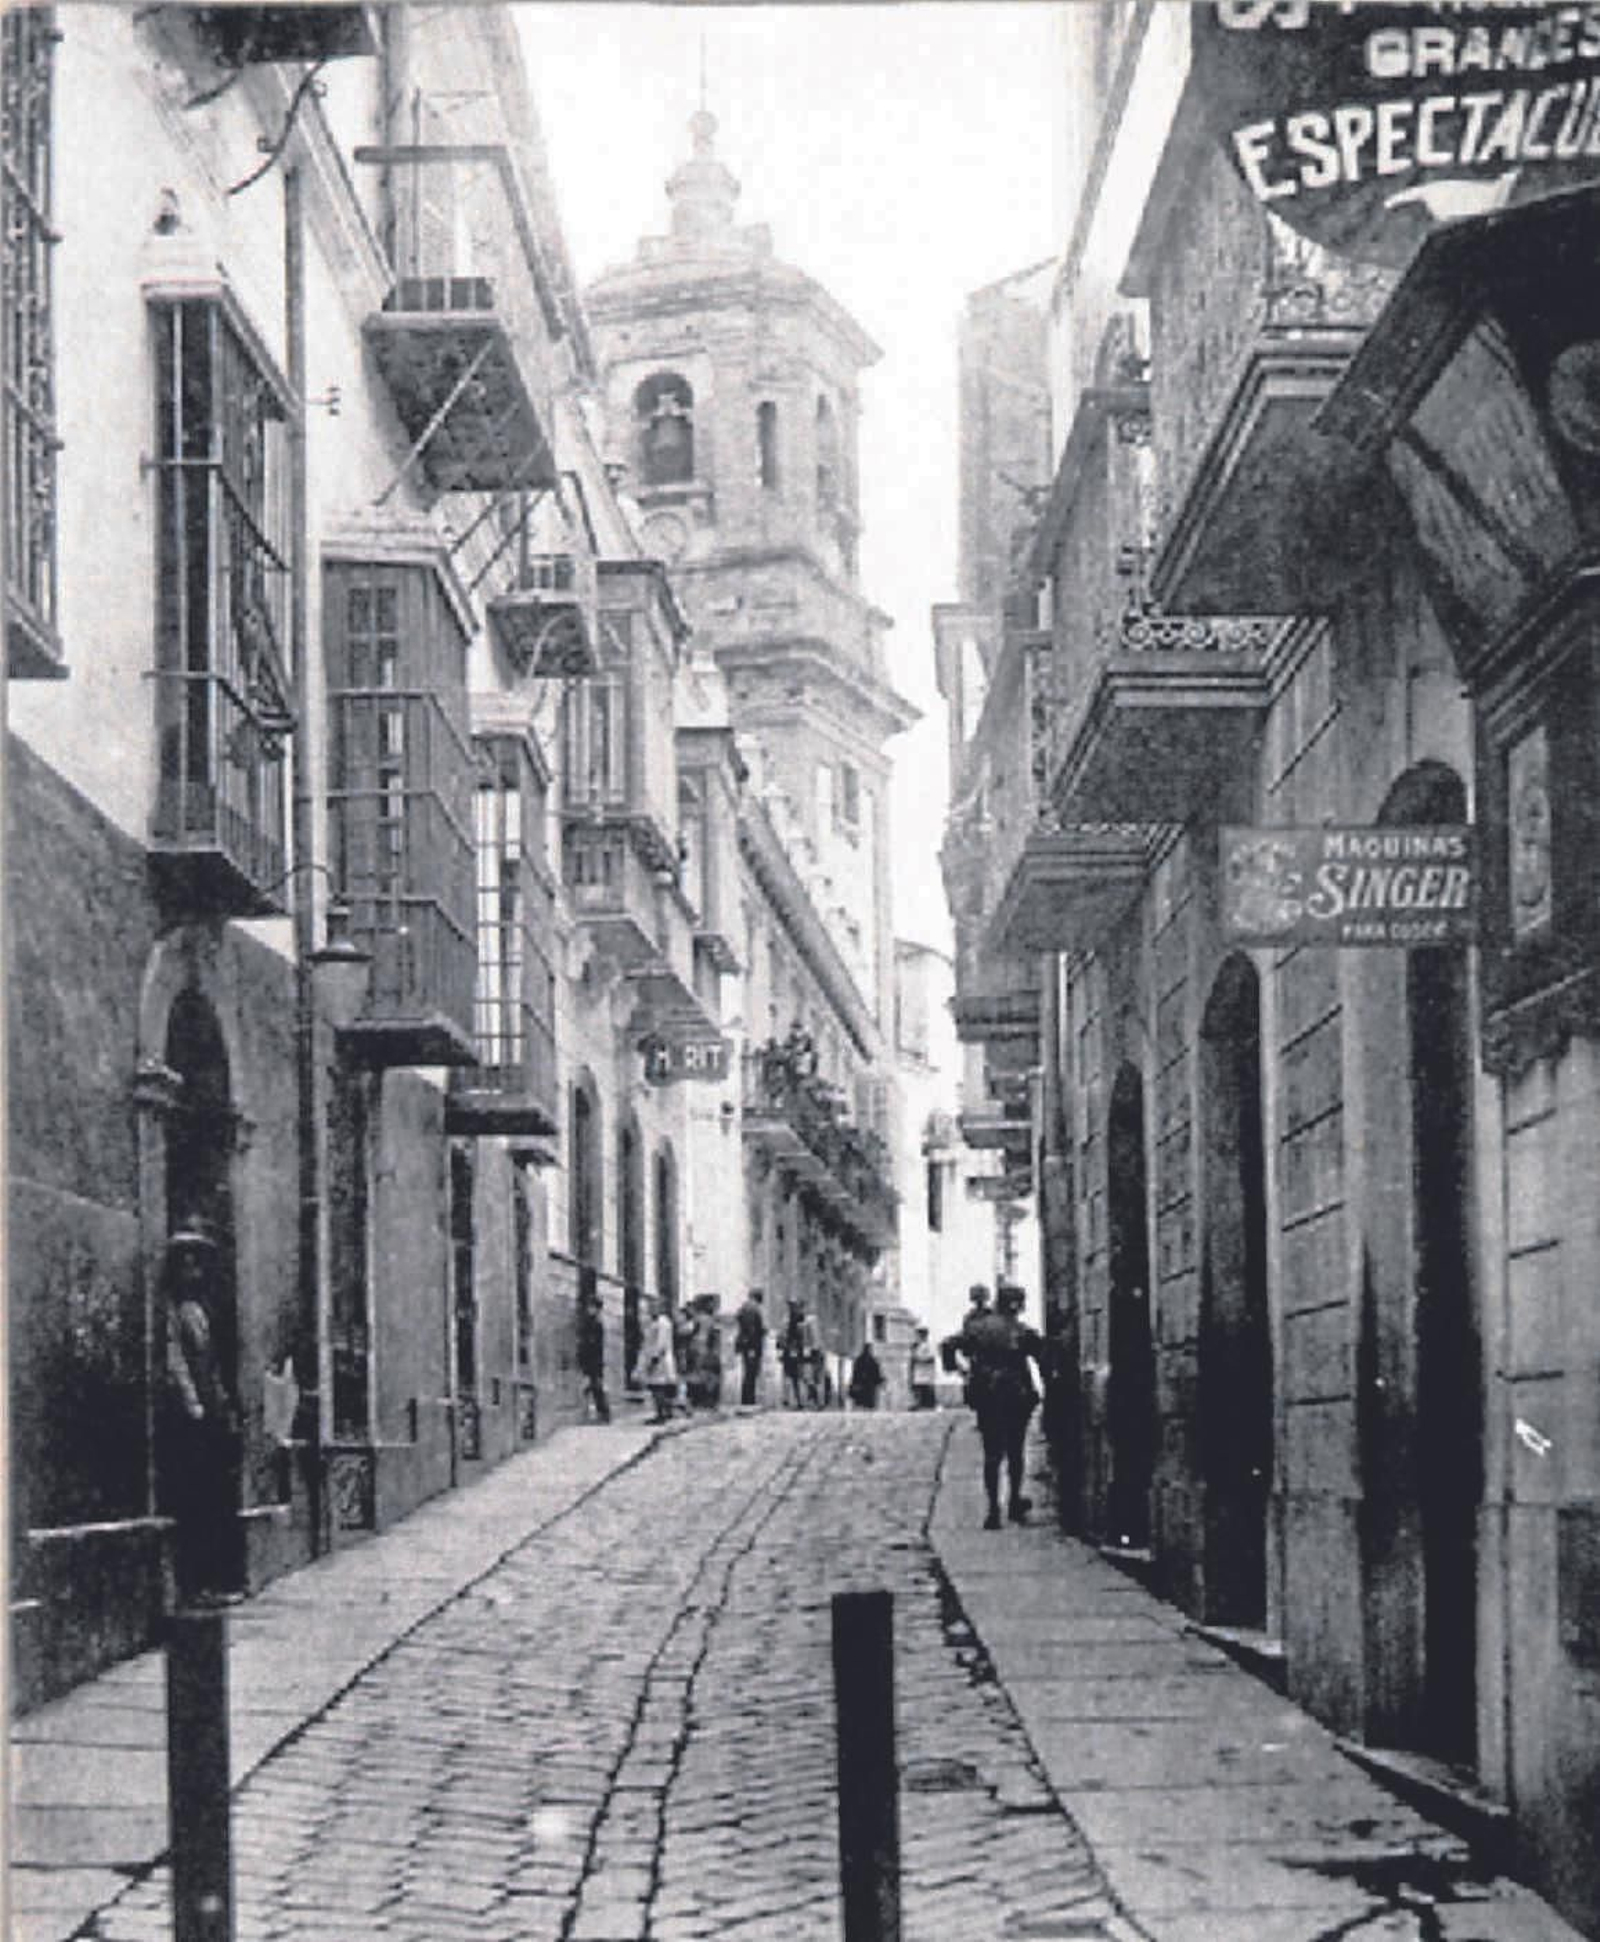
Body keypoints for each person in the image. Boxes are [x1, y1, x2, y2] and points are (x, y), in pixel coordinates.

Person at [163, 1226, 243, 1604]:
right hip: (192, 1419)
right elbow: (177, 1362)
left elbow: (210, 1366)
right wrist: (194, 1406)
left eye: (197, 1264)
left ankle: (213, 1580)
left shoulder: (199, 1310)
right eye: (185, 1264)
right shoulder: (175, 1313)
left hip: (210, 1412)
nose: (193, 1272)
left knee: (214, 1496)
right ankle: (197, 1586)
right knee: (196, 1500)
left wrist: (222, 1405)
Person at [943, 1282, 1045, 1530]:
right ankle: (1014, 1503)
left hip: (987, 1396)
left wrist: (957, 1369)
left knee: (992, 1453)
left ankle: (992, 1510)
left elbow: (948, 1345)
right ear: (1016, 1305)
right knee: (1015, 1452)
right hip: (1016, 1397)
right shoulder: (1021, 1331)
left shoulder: (977, 1328)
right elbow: (1043, 1358)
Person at [576, 1277, 610, 1424]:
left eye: (591, 1307)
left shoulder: (596, 1323)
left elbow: (593, 1344)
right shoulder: (593, 1322)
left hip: (593, 1360)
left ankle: (602, 1414)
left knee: (596, 1388)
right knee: (594, 1388)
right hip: (591, 1359)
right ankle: (598, 1414)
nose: (589, 1309)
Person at [642, 1296, 678, 1424]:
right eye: (650, 1307)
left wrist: (654, 1359)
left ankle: (662, 1413)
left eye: (654, 1307)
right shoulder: (652, 1322)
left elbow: (661, 1343)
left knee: (658, 1387)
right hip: (655, 1357)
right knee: (655, 1386)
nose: (651, 1310)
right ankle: (663, 1412)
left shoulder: (663, 1323)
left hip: (660, 1360)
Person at [734, 1289, 767, 1408]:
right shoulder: (754, 1309)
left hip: (745, 1344)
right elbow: (755, 1329)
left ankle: (747, 1398)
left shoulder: (744, 1307)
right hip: (752, 1345)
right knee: (751, 1372)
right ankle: (748, 1399)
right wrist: (762, 1332)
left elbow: (739, 1321)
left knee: (748, 1371)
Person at [781, 1300, 810, 1409]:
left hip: (790, 1352)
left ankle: (790, 1400)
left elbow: (783, 1337)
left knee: (791, 1377)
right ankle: (798, 1401)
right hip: (796, 1352)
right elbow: (804, 1338)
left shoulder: (788, 1321)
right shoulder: (801, 1321)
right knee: (797, 1377)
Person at [848, 1341, 885, 1410]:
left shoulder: (859, 1360)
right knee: (868, 1405)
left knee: (862, 1405)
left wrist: (854, 1383)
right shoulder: (873, 1361)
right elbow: (876, 1375)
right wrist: (880, 1381)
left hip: (864, 1387)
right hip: (869, 1388)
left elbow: (855, 1374)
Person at [909, 1325, 939, 1410]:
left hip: (926, 1370)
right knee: (918, 1388)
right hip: (918, 1370)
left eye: (918, 1335)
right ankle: (919, 1403)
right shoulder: (916, 1346)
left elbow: (931, 1357)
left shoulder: (929, 1345)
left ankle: (930, 1404)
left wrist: (920, 1359)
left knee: (927, 1387)